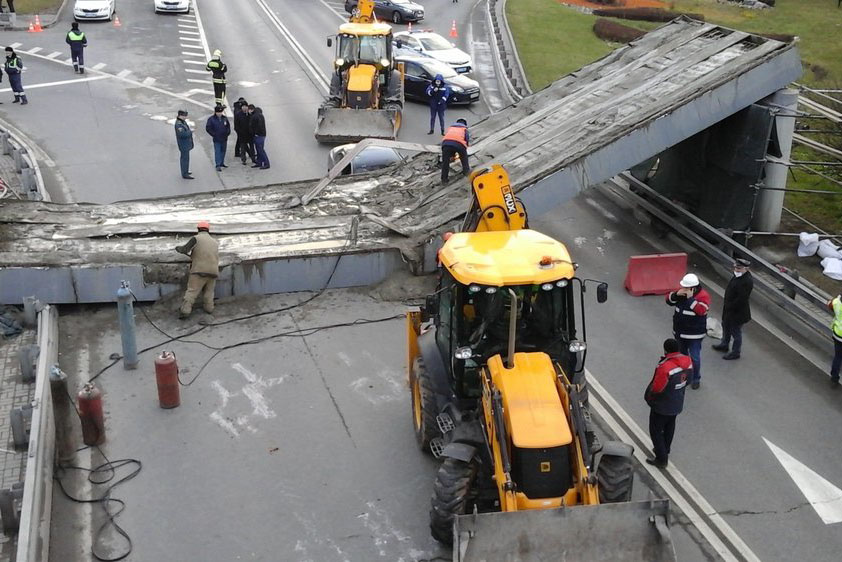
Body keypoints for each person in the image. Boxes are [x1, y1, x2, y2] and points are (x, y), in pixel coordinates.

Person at [644, 338, 692, 468]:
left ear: (666, 350)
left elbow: (657, 388)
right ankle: (666, 448)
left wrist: (651, 397)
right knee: (670, 426)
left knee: (655, 430)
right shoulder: (687, 361)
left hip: (662, 405)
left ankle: (661, 458)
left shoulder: (665, 366)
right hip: (677, 402)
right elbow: (689, 380)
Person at [665, 273, 710, 389]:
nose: (683, 289)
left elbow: (701, 310)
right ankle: (684, 377)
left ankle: (696, 378)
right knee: (682, 357)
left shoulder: (703, 296)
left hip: (694, 334)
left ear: (692, 288)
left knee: (695, 358)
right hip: (680, 332)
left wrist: (690, 299)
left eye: (685, 287)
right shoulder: (681, 292)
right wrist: (675, 295)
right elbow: (669, 300)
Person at [175, 221, 219, 319]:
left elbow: (185, 249)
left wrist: (178, 248)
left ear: (198, 229)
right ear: (208, 230)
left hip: (199, 270)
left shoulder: (196, 238)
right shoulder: (215, 242)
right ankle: (209, 309)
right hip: (213, 271)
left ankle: (185, 311)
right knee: (209, 292)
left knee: (192, 291)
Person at [712, 258, 753, 360]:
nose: (736, 270)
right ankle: (724, 344)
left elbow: (741, 299)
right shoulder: (738, 276)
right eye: (735, 267)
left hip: (737, 312)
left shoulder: (747, 281)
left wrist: (730, 306)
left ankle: (735, 352)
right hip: (729, 309)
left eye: (739, 268)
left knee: (736, 332)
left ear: (746, 269)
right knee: (725, 326)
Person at [441, 118, 470, 184]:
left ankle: (444, 180)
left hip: (446, 144)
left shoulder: (451, 128)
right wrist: (464, 149)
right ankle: (466, 172)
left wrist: (452, 155)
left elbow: (450, 138)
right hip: (459, 144)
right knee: (464, 158)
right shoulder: (464, 129)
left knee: (445, 163)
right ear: (464, 124)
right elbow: (466, 140)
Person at [205, 105, 230, 172]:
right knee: (218, 151)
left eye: (221, 112)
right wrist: (214, 134)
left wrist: (227, 133)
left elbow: (228, 127)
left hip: (224, 138)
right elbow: (208, 128)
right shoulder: (211, 119)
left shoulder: (224, 118)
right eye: (218, 112)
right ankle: (218, 165)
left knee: (223, 151)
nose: (220, 113)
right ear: (215, 112)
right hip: (217, 138)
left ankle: (222, 162)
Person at [233, 98, 255, 165]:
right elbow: (236, 126)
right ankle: (243, 159)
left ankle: (253, 158)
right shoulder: (238, 115)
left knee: (251, 146)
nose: (244, 108)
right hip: (242, 134)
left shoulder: (250, 114)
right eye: (243, 106)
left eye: (245, 106)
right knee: (243, 147)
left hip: (249, 134)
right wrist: (239, 132)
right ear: (241, 107)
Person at [174, 109, 194, 180]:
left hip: (186, 144)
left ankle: (186, 171)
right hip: (183, 145)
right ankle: (184, 173)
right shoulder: (179, 124)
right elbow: (182, 134)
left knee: (186, 158)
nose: (185, 117)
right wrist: (190, 132)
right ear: (180, 115)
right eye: (184, 116)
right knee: (184, 159)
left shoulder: (182, 122)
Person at [249, 105, 270, 170]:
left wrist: (256, 133)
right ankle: (259, 162)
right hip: (261, 135)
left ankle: (266, 163)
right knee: (258, 150)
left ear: (251, 109)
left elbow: (258, 126)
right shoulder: (258, 114)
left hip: (259, 135)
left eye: (249, 110)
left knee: (260, 150)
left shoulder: (256, 116)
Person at [828, 294, 842, 387]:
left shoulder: (837, 302)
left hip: (838, 334)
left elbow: (829, 304)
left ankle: (834, 377)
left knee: (838, 357)